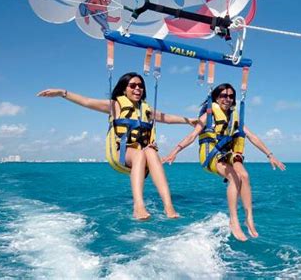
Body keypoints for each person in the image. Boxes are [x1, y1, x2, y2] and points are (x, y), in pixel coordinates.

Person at [37, 72, 195, 221]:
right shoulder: (115, 105)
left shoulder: (146, 109)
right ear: (124, 89)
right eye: (132, 85)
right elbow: (87, 102)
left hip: (143, 157)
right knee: (140, 153)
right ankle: (138, 206)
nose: (137, 88)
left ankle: (168, 206)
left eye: (140, 86)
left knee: (152, 153)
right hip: (122, 154)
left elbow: (166, 118)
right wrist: (62, 93)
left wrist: (188, 120)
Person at [162, 83, 285, 241]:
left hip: (227, 153)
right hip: (211, 155)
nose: (227, 99)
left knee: (244, 176)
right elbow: (192, 136)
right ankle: (233, 220)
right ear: (216, 98)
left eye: (231, 96)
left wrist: (270, 155)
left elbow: (252, 137)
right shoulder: (209, 115)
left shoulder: (234, 117)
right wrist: (174, 152)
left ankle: (249, 219)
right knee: (235, 177)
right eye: (223, 96)